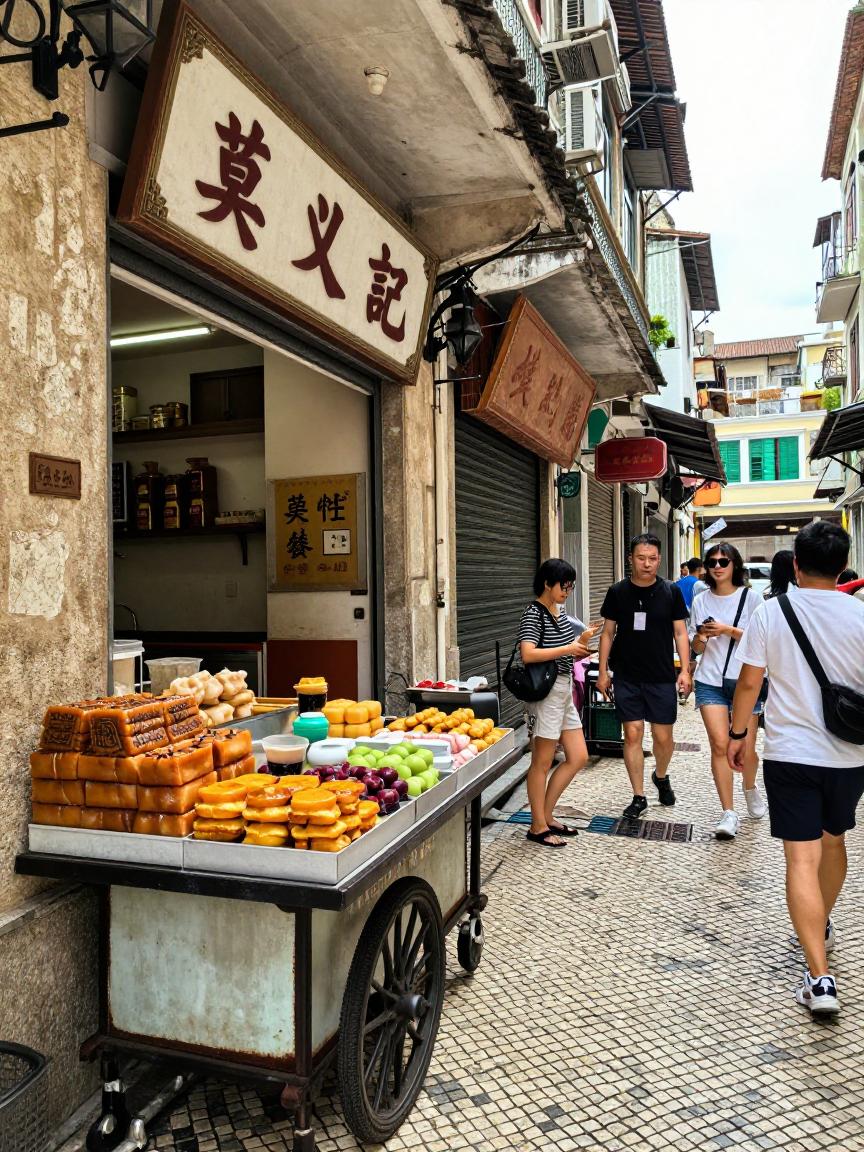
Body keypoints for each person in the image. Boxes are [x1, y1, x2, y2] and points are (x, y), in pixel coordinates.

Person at [729, 521, 864, 1017]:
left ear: (796, 565)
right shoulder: (860, 614)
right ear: (843, 563)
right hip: (850, 756)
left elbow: (748, 685)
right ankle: (822, 922)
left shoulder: (772, 613)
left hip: (790, 754)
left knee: (800, 859)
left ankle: (819, 976)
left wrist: (738, 737)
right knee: (834, 844)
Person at [597, 534, 691, 819]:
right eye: (641, 558)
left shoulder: (671, 592)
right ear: (630, 559)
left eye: (652, 559)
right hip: (626, 674)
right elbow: (607, 633)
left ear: (659, 559)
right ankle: (638, 796)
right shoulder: (617, 592)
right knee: (633, 732)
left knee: (663, 737)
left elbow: (680, 632)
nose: (646, 564)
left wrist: (685, 670)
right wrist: (603, 672)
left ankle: (660, 776)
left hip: (661, 675)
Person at [689, 543, 767, 840]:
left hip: (745, 679)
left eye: (724, 561)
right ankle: (729, 812)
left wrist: (728, 630)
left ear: (735, 565)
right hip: (710, 679)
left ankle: (749, 786)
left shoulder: (752, 598)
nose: (718, 567)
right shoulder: (700, 600)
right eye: (712, 562)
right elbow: (696, 649)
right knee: (720, 745)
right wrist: (701, 636)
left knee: (745, 747)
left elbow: (764, 640)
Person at [518, 559, 595, 848]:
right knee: (542, 760)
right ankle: (537, 826)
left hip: (563, 690)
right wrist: (568, 648)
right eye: (564, 585)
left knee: (578, 756)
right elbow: (528, 654)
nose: (567, 590)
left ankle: (546, 815)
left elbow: (561, 653)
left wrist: (581, 643)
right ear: (547, 584)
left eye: (571, 586)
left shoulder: (559, 613)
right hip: (546, 694)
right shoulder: (533, 613)